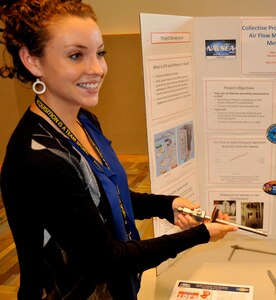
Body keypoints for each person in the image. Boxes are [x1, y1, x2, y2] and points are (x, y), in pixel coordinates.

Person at [0, 1, 238, 299]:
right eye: (76, 55)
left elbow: (103, 198)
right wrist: (200, 235)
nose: (97, 68)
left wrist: (167, 204)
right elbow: (106, 261)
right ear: (32, 60)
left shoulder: (82, 119)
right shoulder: (38, 157)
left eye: (100, 53)